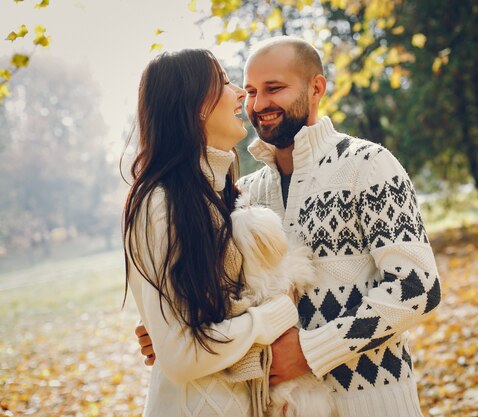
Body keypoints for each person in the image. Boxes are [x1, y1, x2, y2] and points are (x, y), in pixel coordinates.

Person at [137, 37, 441, 417]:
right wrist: (172, 331)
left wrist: (312, 351)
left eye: (274, 88)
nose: (258, 104)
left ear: (316, 88)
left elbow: (417, 287)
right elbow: (223, 297)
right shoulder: (242, 194)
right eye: (249, 91)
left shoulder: (368, 164)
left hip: (371, 402)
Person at [124, 48, 299, 417]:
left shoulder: (225, 196)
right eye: (223, 82)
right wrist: (273, 317)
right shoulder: (159, 204)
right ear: (192, 106)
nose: (241, 95)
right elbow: (181, 356)